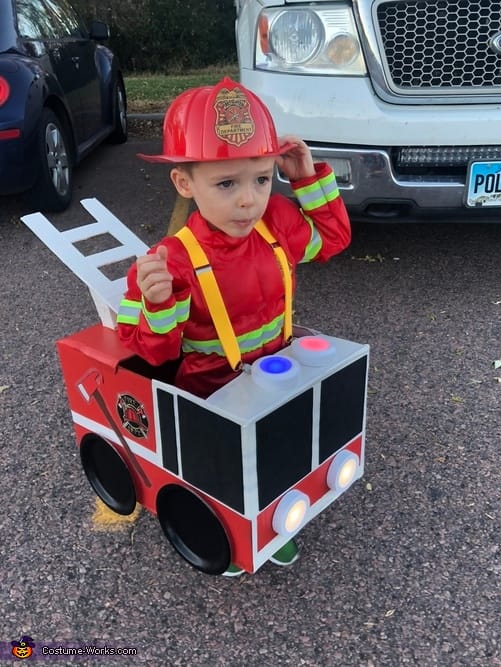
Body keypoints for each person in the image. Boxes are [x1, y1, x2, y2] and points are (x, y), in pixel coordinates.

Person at [117, 77, 351, 575]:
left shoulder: (279, 223)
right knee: (223, 475)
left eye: (262, 178)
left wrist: (307, 178)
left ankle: (271, 526)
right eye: (227, 184)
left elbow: (331, 240)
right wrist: (158, 301)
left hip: (277, 374)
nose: (249, 201)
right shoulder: (167, 263)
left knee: (280, 454)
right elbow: (151, 357)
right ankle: (229, 535)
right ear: (184, 183)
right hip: (210, 396)